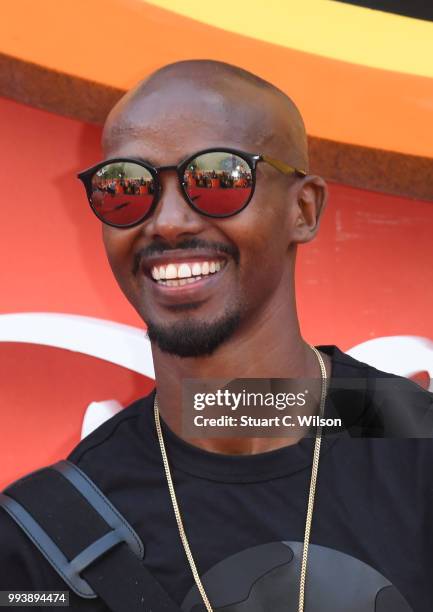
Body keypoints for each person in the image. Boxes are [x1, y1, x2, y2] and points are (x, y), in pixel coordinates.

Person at [1, 60, 432, 612]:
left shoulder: (415, 445)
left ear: (303, 209)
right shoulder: (43, 540)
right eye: (126, 186)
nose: (168, 222)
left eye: (220, 178)